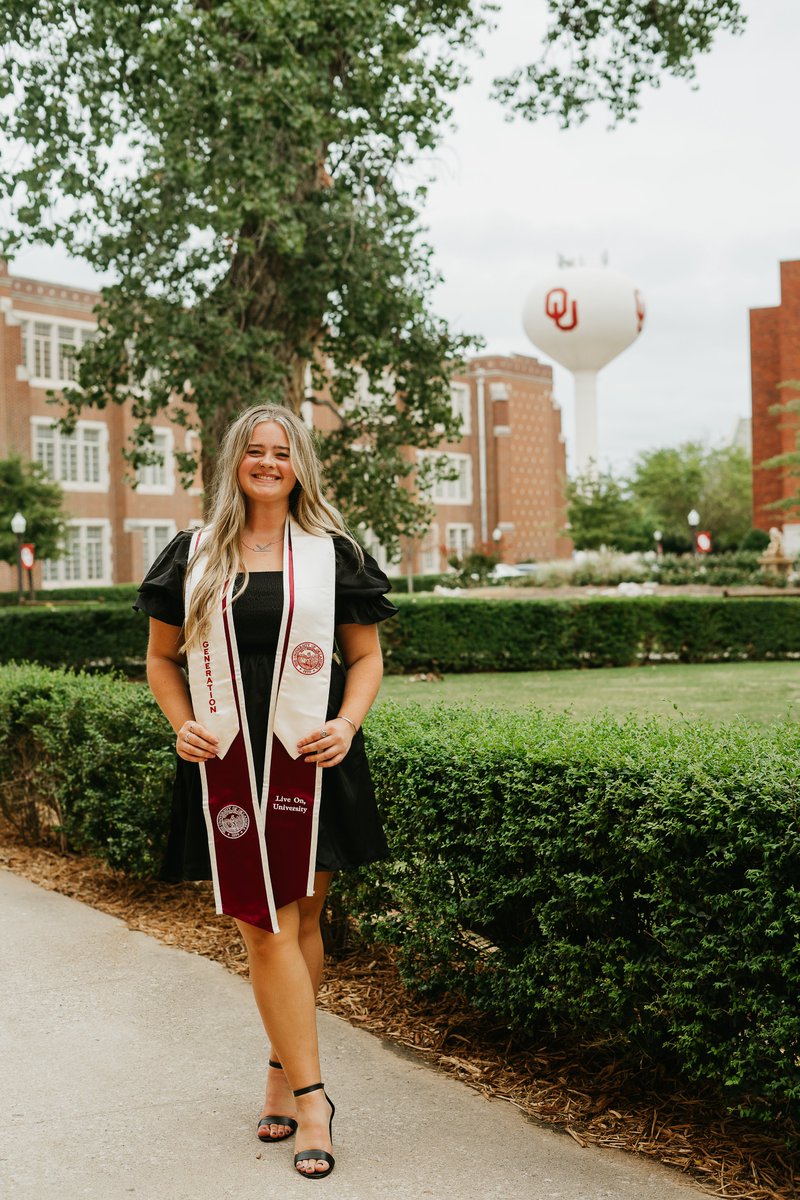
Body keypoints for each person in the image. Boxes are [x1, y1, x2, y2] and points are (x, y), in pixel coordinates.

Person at [134, 404, 397, 1180]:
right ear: (233, 462)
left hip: (311, 757)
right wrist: (180, 724)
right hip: (228, 762)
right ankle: (316, 1098)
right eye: (254, 450)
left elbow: (368, 657)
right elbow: (161, 659)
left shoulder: (332, 554)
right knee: (265, 920)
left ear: (299, 463)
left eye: (282, 451)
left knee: (305, 916)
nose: (268, 462)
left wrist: (348, 724)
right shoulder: (195, 552)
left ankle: (280, 1073)